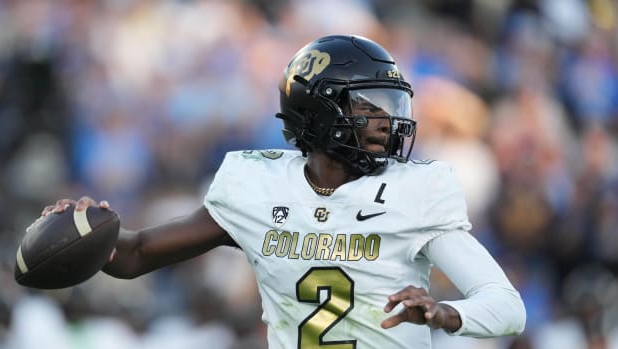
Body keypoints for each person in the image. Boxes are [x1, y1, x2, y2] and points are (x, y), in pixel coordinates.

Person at [42, 35, 526, 348]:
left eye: (391, 104)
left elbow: (506, 307)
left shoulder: (416, 190)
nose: (388, 120)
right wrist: (88, 228)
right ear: (318, 114)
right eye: (370, 106)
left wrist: (446, 313)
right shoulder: (256, 186)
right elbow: (136, 254)